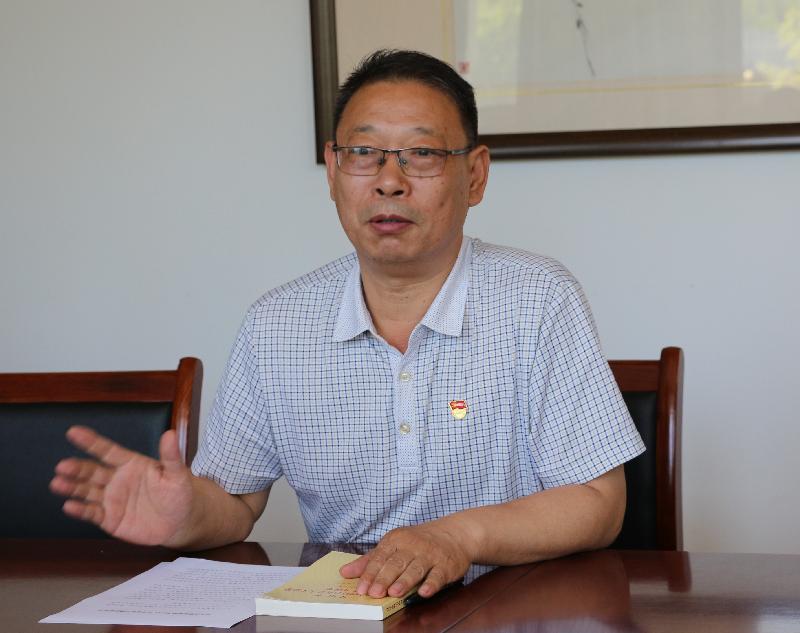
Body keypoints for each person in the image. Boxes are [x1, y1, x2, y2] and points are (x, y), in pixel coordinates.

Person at [50, 49, 644, 601]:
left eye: (422, 153)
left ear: (475, 175)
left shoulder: (538, 298)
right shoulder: (277, 324)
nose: (389, 180)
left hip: (514, 608)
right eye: (364, 153)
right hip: (351, 610)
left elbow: (598, 502)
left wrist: (457, 538)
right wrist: (185, 517)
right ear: (333, 172)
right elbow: (233, 502)